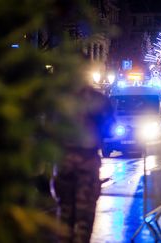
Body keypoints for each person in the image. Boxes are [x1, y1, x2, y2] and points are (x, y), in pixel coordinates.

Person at [53, 84, 114, 243]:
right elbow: (110, 127)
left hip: (63, 161)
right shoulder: (97, 99)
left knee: (65, 212)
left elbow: (48, 128)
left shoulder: (60, 98)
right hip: (87, 162)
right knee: (84, 217)